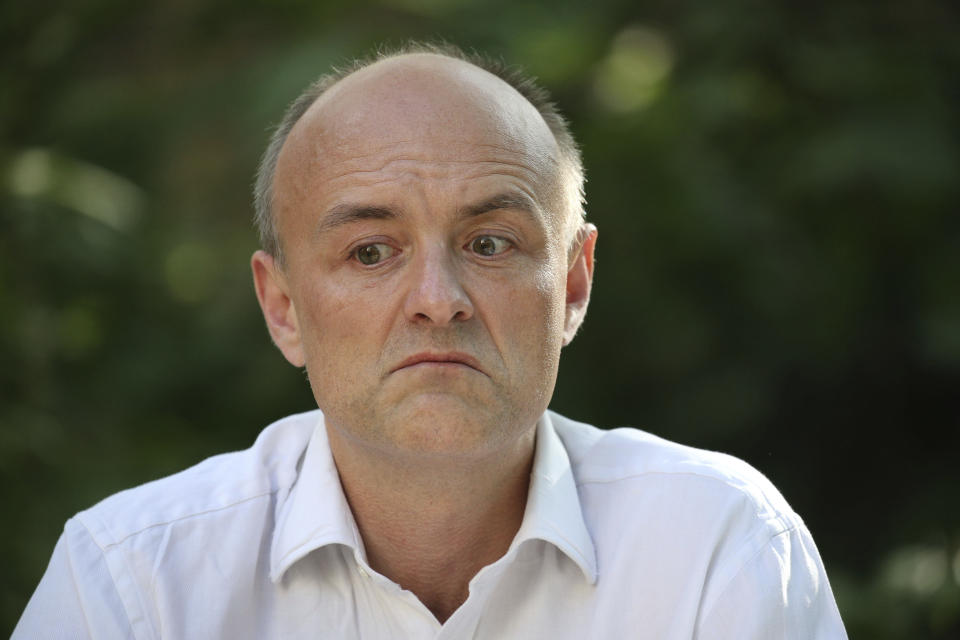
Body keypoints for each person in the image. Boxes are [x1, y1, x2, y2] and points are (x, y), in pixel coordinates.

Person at [14, 43, 847, 639]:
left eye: (490, 243)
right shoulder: (133, 586)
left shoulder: (718, 548)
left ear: (573, 284)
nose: (437, 302)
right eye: (370, 252)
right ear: (284, 308)